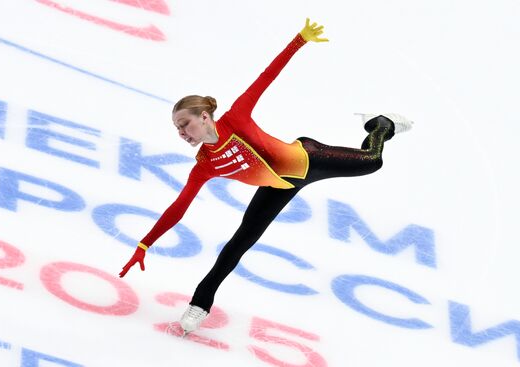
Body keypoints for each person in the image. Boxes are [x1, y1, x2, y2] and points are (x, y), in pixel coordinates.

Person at [119, 18, 413, 335]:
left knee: (373, 161)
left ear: (204, 117)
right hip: (279, 186)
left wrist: (299, 40)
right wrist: (144, 244)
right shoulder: (204, 164)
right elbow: (179, 207)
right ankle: (198, 306)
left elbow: (267, 76)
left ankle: (381, 125)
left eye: (184, 124)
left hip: (310, 159)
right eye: (177, 129)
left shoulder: (237, 117)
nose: (181, 133)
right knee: (238, 243)